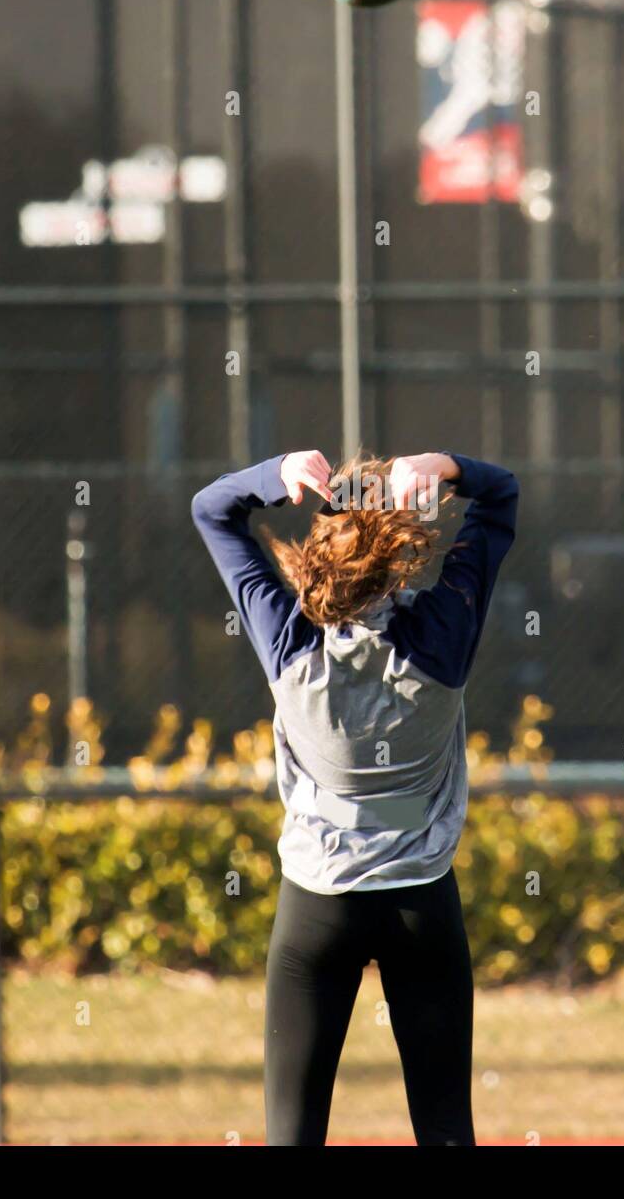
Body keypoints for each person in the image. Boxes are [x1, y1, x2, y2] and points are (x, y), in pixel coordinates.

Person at [191, 448, 519, 1146]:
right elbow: (503, 498)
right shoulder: (441, 639)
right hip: (421, 903)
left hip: (318, 909)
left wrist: (272, 477)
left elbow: (213, 511)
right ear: (399, 554)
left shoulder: (287, 641)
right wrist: (446, 468)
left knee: (292, 1132)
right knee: (445, 1129)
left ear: (315, 557)